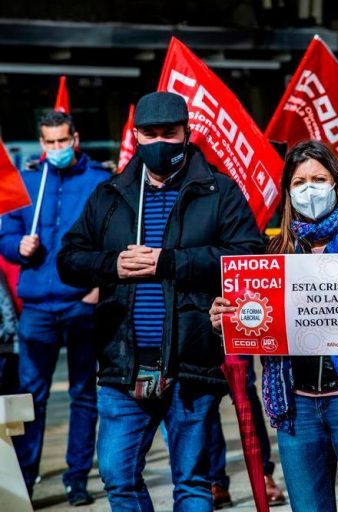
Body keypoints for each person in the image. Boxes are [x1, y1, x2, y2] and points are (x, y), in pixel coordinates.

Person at [57, 91, 264, 511]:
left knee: (190, 481)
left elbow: (249, 256)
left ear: (187, 133)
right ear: (136, 136)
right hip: (122, 363)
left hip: (191, 360)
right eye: (149, 134)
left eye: (169, 133)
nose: (159, 143)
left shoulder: (218, 190)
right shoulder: (110, 195)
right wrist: (112, 264)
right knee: (117, 475)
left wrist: (171, 262)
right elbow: (69, 260)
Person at [210, 139, 338, 512]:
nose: (310, 188)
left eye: (318, 178)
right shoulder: (274, 253)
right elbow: (258, 324)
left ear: (336, 182)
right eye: (299, 181)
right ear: (288, 192)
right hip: (299, 408)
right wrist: (226, 321)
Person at [0, 111, 109, 505]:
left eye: (63, 141)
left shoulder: (98, 180)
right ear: (41, 143)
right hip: (38, 306)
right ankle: (25, 479)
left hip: (81, 300)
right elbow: (6, 233)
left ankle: (76, 477)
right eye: (50, 142)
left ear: (75, 138)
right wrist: (17, 247)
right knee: (32, 396)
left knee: (84, 392)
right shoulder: (26, 181)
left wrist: (99, 286)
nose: (57, 149)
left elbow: (111, 237)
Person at [208, 355, 286, 508]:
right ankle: (215, 481)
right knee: (207, 396)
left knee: (245, 389)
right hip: (203, 335)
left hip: (235, 334)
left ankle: (263, 473)